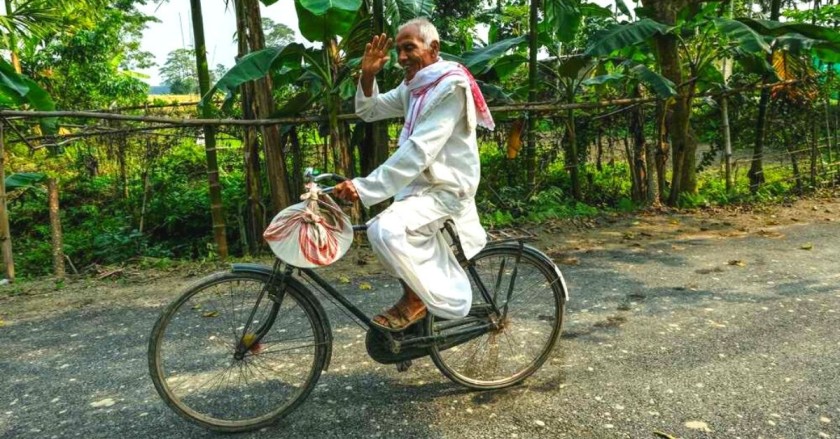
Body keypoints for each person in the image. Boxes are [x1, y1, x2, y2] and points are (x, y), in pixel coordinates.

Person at [333, 17, 494, 332]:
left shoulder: (450, 85)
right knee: (387, 234)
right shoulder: (414, 87)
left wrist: (364, 187)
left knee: (385, 230)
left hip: (447, 189)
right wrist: (367, 74)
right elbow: (370, 110)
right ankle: (418, 301)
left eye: (409, 48)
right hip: (421, 189)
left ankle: (423, 300)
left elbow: (420, 149)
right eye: (398, 50)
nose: (402, 57)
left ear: (433, 49)